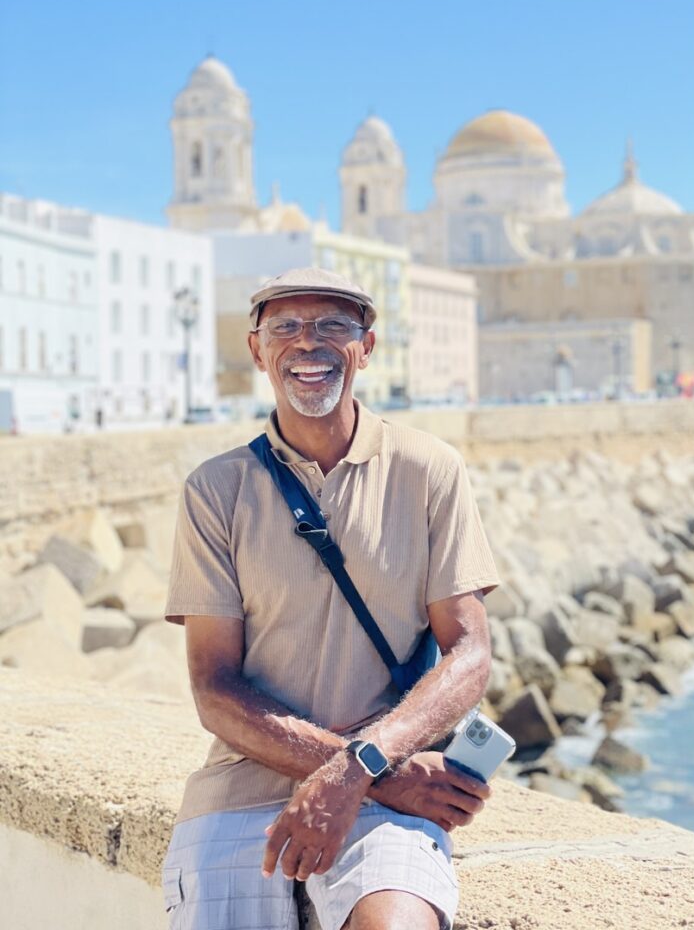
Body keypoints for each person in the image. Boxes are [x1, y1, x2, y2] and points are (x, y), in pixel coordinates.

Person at [162, 267, 500, 930]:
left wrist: (360, 772)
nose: (306, 343)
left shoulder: (427, 469)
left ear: (365, 348)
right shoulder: (215, 489)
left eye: (331, 327)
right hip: (241, 790)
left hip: (381, 794)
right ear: (256, 350)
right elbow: (214, 686)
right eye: (285, 327)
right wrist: (363, 770)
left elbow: (469, 650)